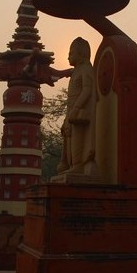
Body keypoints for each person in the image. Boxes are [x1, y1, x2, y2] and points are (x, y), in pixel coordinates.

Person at [56, 37, 98, 177]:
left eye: (71, 53)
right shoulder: (76, 71)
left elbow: (87, 90)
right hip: (71, 109)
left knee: (77, 138)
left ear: (82, 54)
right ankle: (71, 164)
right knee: (68, 136)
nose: (68, 56)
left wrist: (76, 108)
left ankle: (79, 165)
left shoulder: (86, 69)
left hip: (79, 110)